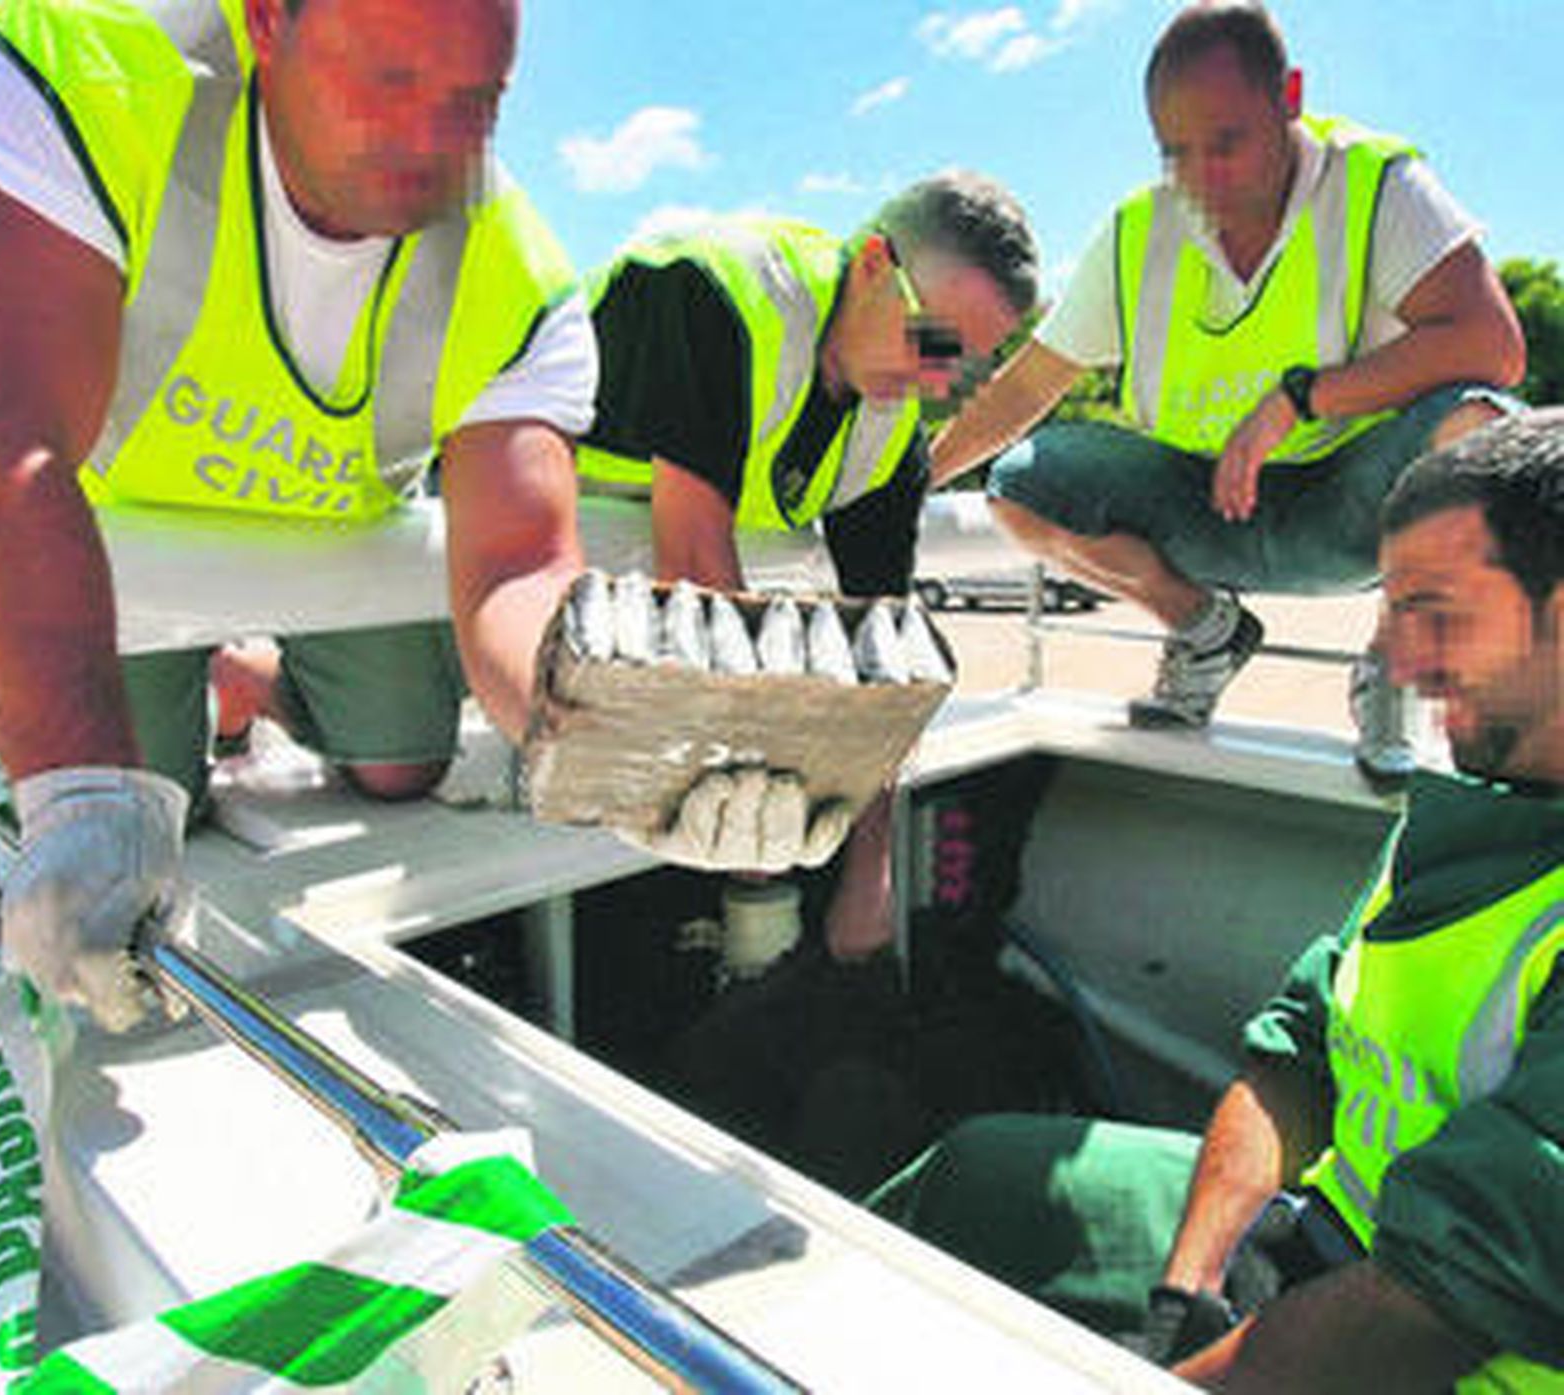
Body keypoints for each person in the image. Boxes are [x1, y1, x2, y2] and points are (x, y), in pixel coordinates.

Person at [872, 408, 1564, 1389]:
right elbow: (1295, 1054)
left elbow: (1428, 1311)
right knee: (975, 1173)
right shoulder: (1464, 802)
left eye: (1435, 610)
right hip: (1313, 1246)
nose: (1399, 663)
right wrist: (1183, 1297)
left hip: (1438, 1355)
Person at [0, 0, 597, 1034]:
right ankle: (154, 709)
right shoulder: (73, 80)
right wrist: (74, 786)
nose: (431, 144)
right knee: (131, 828)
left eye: (473, 101)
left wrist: (615, 753)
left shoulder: (520, 277)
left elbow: (520, 573)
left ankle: (252, 680)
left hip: (335, 543)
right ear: (267, 20)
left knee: (402, 768)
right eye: (389, 81)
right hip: (105, 551)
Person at [930, 0, 1525, 781]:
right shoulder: (1137, 233)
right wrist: (908, 477)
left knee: (1480, 427)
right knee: (1024, 480)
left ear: (1291, 98)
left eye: (1227, 142)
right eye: (1175, 152)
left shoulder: (1379, 185)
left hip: (1359, 511)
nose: (1201, 178)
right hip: (1208, 508)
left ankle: (1392, 665)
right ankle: (1206, 633)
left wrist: (1297, 400)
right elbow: (1028, 385)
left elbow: (1494, 346)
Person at [576, 173, 1039, 964]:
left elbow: (880, 659)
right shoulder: (715, 290)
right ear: (869, 265)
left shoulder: (892, 441)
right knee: (396, 769)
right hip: (497, 552)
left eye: (962, 367)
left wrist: (871, 873)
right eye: (932, 342)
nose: (937, 383)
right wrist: (762, 815)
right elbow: (697, 574)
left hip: (663, 589)